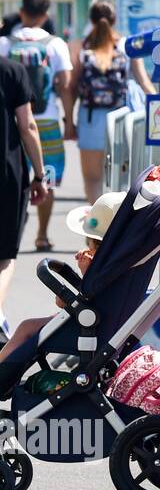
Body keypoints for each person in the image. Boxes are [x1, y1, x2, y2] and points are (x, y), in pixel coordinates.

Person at [0, 190, 121, 365]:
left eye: (89, 241)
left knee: (27, 328)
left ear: (95, 243)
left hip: (89, 325)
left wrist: (74, 287)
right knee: (30, 327)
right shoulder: (122, 261)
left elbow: (93, 297)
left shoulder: (101, 268)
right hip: (104, 323)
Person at [0, 0, 72, 252]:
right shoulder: (55, 44)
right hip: (47, 119)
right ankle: (42, 235)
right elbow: (65, 84)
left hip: (11, 123)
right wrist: (69, 120)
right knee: (46, 176)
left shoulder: (5, 43)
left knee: (12, 177)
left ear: (21, 11)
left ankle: (15, 223)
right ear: (45, 14)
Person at [67, 1, 155, 205]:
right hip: (122, 119)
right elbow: (144, 83)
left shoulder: (81, 47)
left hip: (90, 119)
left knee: (93, 178)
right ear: (114, 20)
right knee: (121, 177)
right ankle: (114, 227)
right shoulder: (127, 46)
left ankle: (96, 231)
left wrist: (69, 122)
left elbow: (71, 88)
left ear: (91, 20)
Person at [0, 53, 51, 338]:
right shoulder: (12, 70)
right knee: (5, 256)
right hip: (7, 174)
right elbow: (27, 125)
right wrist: (40, 176)